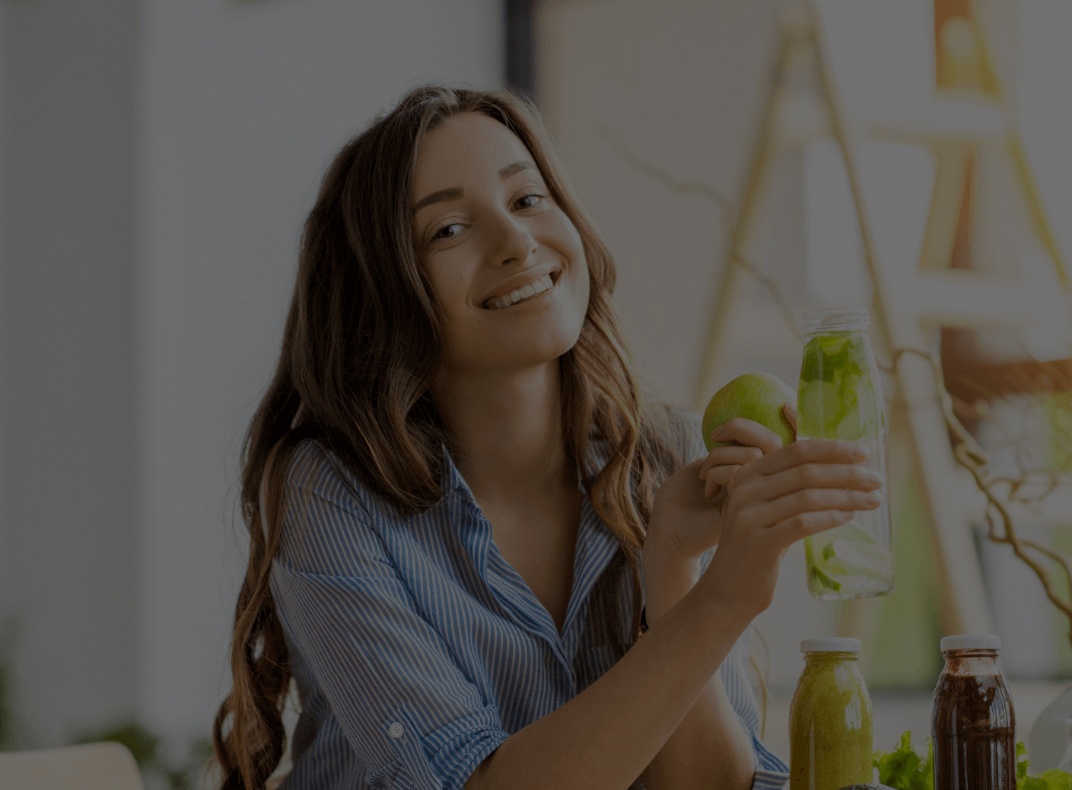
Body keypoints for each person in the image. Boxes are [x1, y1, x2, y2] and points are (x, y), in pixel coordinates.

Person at [210, 85, 884, 790]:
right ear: (382, 292)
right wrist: (724, 601)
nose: (516, 241)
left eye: (527, 199)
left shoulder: (671, 459)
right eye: (448, 230)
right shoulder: (332, 493)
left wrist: (676, 575)